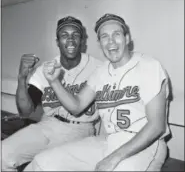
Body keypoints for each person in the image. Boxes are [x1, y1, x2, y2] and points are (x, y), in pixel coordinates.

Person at [24, 13, 170, 171]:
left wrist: (113, 158)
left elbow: (157, 126)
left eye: (117, 34)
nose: (111, 41)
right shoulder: (100, 72)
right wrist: (54, 81)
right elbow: (76, 106)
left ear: (127, 38)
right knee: (42, 162)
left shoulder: (149, 66)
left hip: (146, 145)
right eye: (104, 36)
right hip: (109, 141)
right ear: (100, 43)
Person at [2, 16, 102, 171]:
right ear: (57, 42)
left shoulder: (98, 68)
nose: (70, 39)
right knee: (3, 153)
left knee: (40, 166)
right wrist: (21, 78)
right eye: (64, 35)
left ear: (82, 41)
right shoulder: (46, 68)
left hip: (80, 129)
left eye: (75, 35)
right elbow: (25, 111)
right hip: (47, 124)